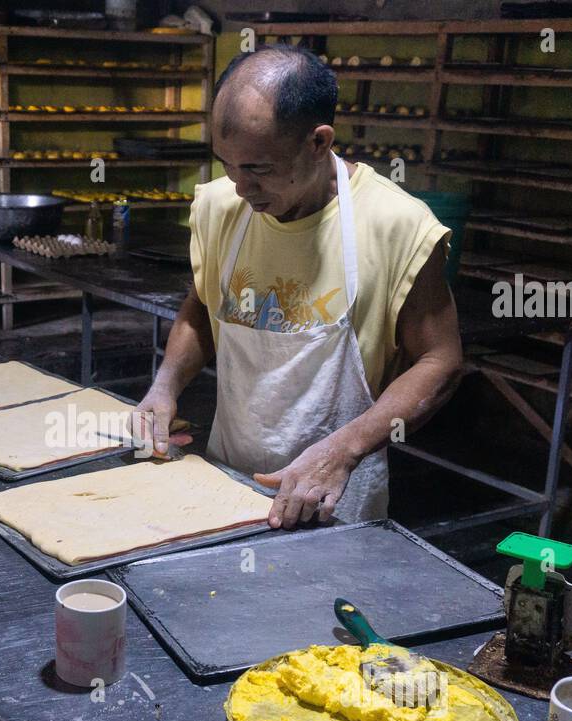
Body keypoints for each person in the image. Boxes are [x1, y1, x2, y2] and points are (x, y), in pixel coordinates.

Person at [135, 46, 463, 529]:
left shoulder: (399, 227)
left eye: (258, 169)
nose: (239, 186)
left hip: (333, 497)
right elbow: (203, 309)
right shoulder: (218, 208)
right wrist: (164, 387)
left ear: (318, 142)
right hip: (220, 483)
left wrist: (343, 450)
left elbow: (441, 362)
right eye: (226, 163)